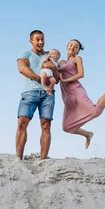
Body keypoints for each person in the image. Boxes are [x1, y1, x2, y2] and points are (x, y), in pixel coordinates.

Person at [59, 39, 105, 149]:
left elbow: (81, 74)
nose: (73, 47)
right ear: (67, 46)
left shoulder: (77, 59)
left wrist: (66, 80)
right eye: (71, 44)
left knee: (95, 111)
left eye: (76, 46)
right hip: (67, 97)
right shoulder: (61, 62)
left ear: (78, 51)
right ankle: (88, 134)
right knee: (66, 127)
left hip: (76, 91)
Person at [16, 30, 60, 160]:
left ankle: (43, 159)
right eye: (37, 39)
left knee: (46, 124)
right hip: (30, 92)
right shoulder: (26, 54)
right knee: (22, 123)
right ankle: (18, 158)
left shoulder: (51, 57)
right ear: (31, 41)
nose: (41, 42)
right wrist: (38, 78)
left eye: (42, 39)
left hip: (48, 94)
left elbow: (57, 79)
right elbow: (22, 68)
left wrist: (53, 67)